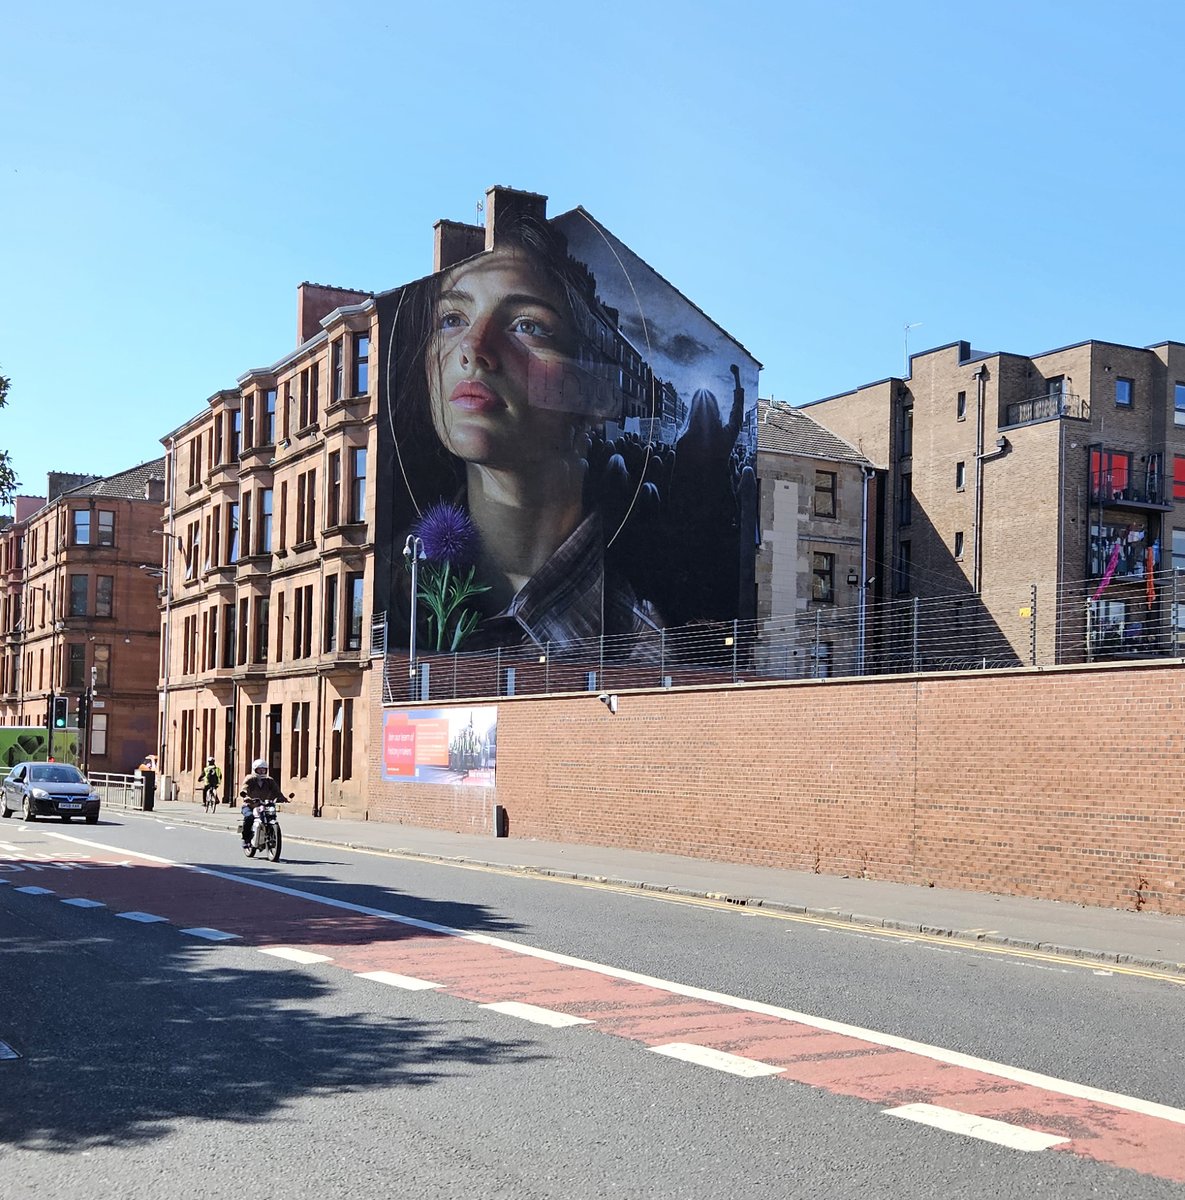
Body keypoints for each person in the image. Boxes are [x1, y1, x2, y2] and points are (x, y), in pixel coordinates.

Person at [389, 214, 663, 654]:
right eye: (452, 318)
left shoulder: (642, 642)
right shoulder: (392, 584)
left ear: (597, 393)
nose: (474, 349)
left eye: (528, 326)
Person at [239, 758, 283, 848]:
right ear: (255, 770)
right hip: (249, 805)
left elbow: (276, 791)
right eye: (260, 770)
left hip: (264, 805)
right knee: (249, 817)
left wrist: (282, 798)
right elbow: (244, 788)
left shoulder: (269, 780)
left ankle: (270, 834)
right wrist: (245, 796)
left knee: (271, 816)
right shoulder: (250, 779)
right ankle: (246, 839)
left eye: (264, 770)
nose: (262, 772)